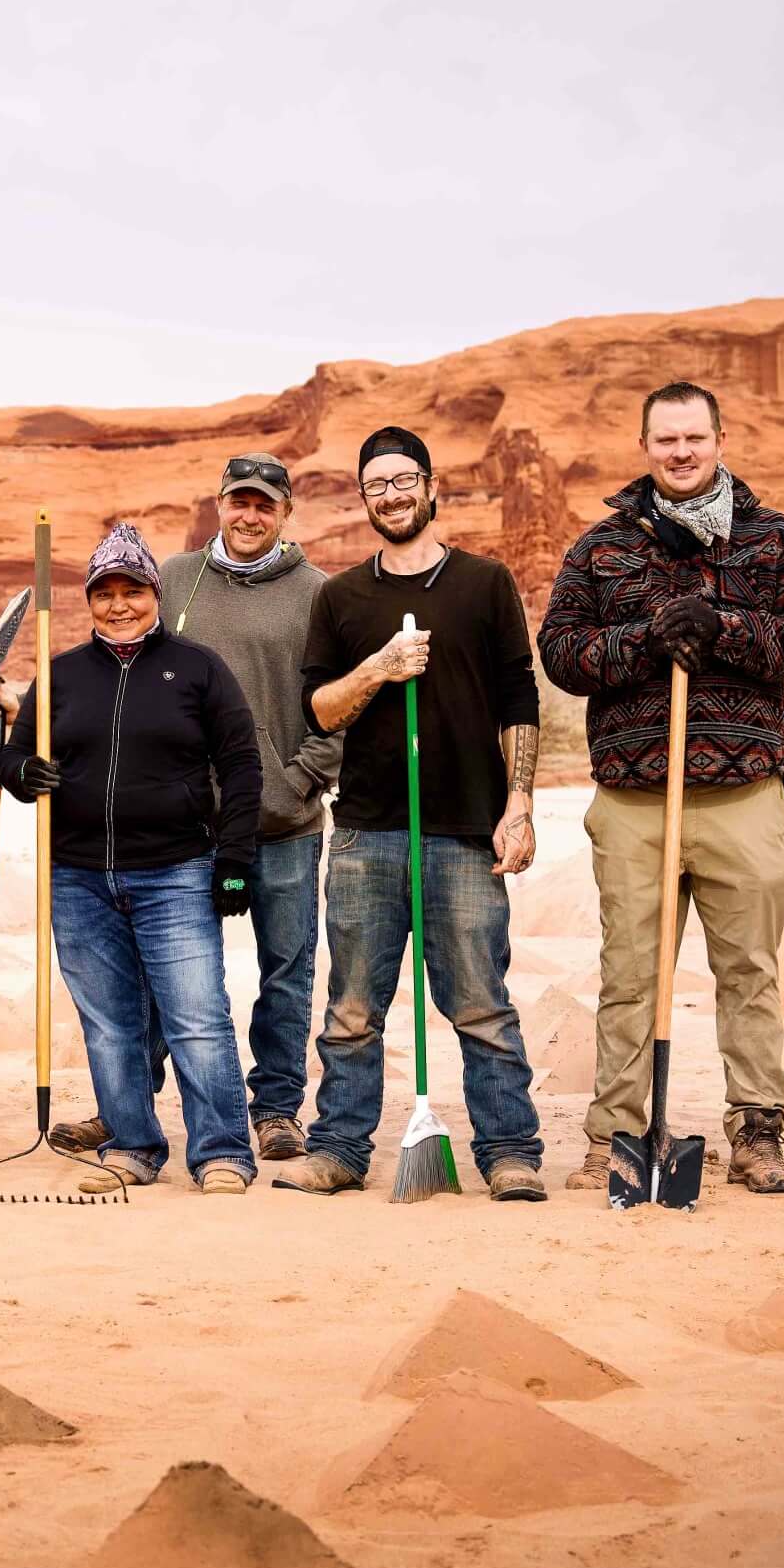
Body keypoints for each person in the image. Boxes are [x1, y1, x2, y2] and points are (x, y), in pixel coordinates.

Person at [538, 380, 784, 1196]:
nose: (680, 453)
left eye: (694, 439)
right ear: (645, 446)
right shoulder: (601, 548)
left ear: (719, 439)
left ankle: (758, 1132)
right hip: (636, 801)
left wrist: (726, 627)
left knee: (750, 970)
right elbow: (562, 655)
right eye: (665, 440)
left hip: (743, 796)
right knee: (631, 974)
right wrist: (645, 637)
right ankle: (617, 1138)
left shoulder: (773, 538)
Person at [291, 426, 546, 1199]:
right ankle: (338, 1149)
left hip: (466, 833)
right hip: (369, 831)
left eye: (405, 481)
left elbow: (518, 701)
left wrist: (520, 803)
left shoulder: (485, 583)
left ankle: (510, 1154)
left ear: (433, 487)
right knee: (353, 1008)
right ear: (362, 499)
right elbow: (321, 711)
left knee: (481, 1005)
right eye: (377, 486)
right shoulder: (341, 598)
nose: (393, 496)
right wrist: (378, 668)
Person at [0, 523, 265, 1191]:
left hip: (175, 871)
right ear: (88, 600)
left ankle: (222, 1152)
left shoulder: (198, 668)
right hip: (78, 878)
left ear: (155, 592)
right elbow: (7, 759)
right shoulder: (61, 676)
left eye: (133, 590)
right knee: (111, 1026)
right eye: (105, 592)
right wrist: (22, 771)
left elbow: (241, 765)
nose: (119, 605)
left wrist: (234, 858)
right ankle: (134, 1147)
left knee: (197, 1017)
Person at [149, 453, 342, 1160]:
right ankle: (134, 1104)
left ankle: (278, 1109)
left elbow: (341, 703)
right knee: (165, 969)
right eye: (239, 502)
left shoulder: (320, 593)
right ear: (219, 504)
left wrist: (301, 780)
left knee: (285, 969)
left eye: (265, 504)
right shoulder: (173, 580)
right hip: (186, 823)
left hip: (282, 822)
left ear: (285, 511)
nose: (250, 516)